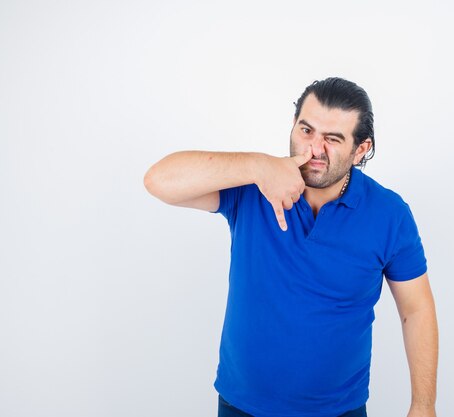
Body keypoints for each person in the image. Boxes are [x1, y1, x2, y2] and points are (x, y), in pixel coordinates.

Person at [143, 77, 439, 417]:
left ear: (361, 149)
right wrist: (256, 165)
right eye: (306, 130)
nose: (314, 149)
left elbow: (416, 309)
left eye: (332, 139)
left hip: (339, 411)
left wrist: (423, 405)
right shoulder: (251, 187)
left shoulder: (390, 214)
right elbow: (159, 181)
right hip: (241, 406)